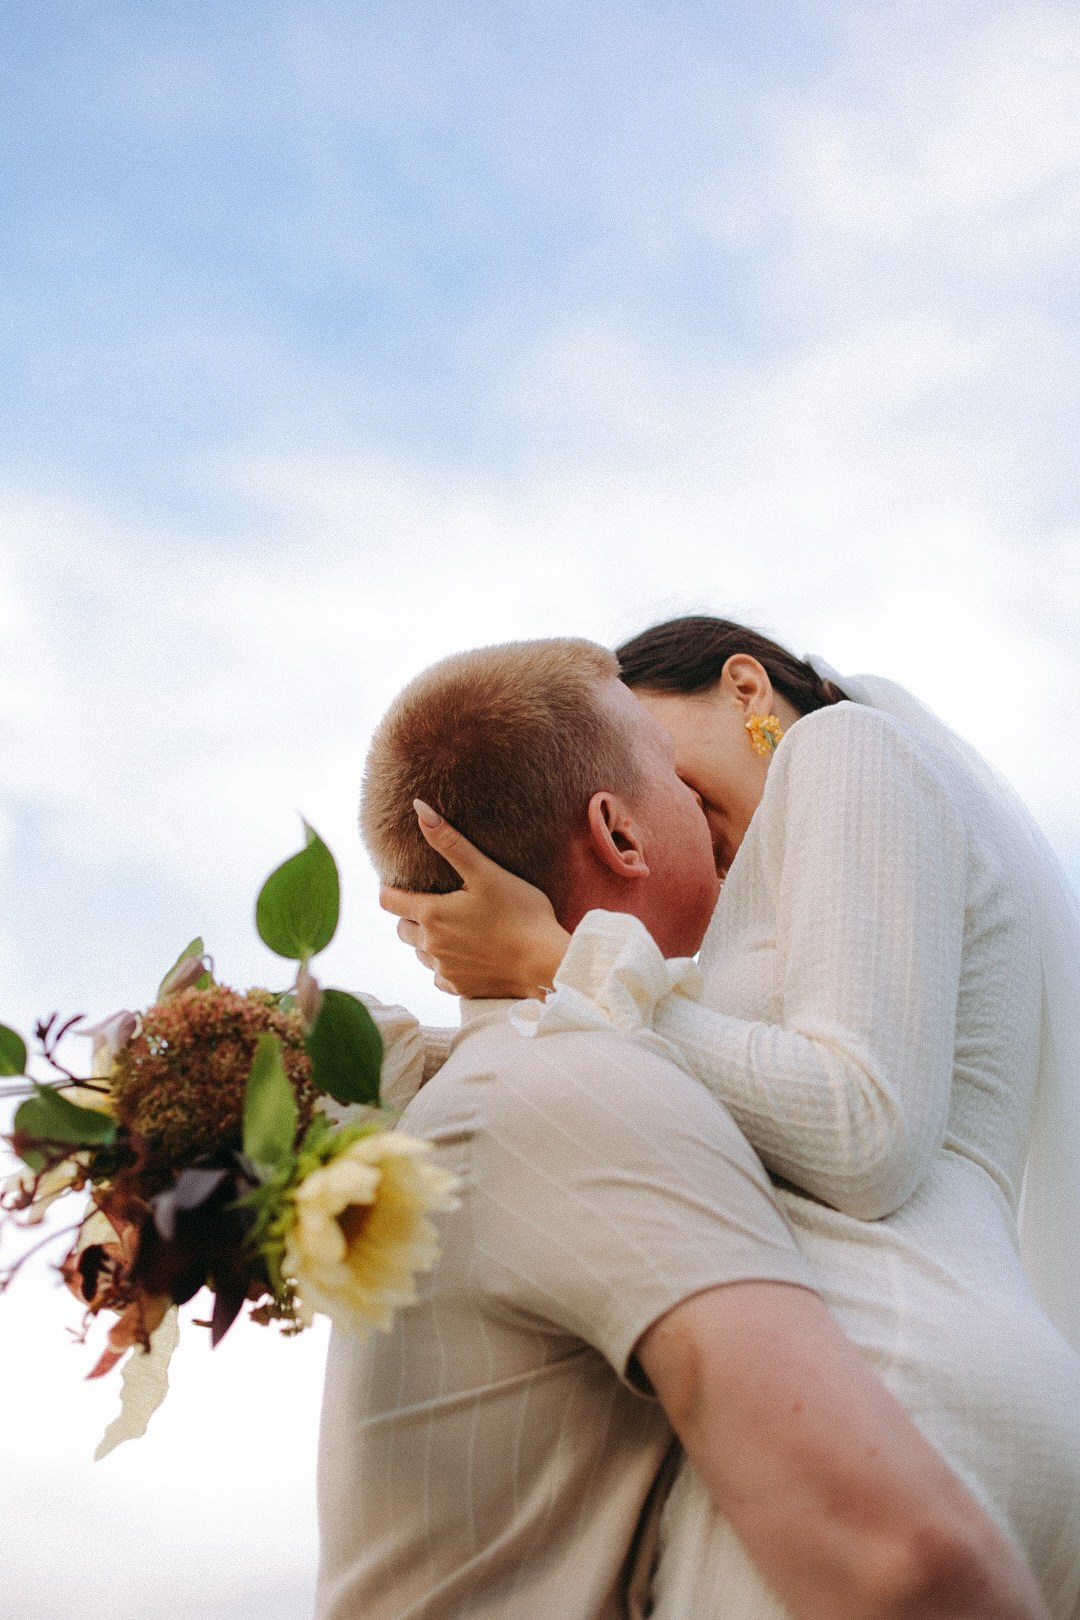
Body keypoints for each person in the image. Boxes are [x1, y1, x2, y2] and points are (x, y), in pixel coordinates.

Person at [317, 636, 1049, 1620]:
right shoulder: (763, 933)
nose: (665, 792)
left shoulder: (842, 752)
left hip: (893, 1396)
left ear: (746, 686)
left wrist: (552, 957)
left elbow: (858, 1127)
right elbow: (633, 1084)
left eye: (656, 746)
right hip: (909, 1404)